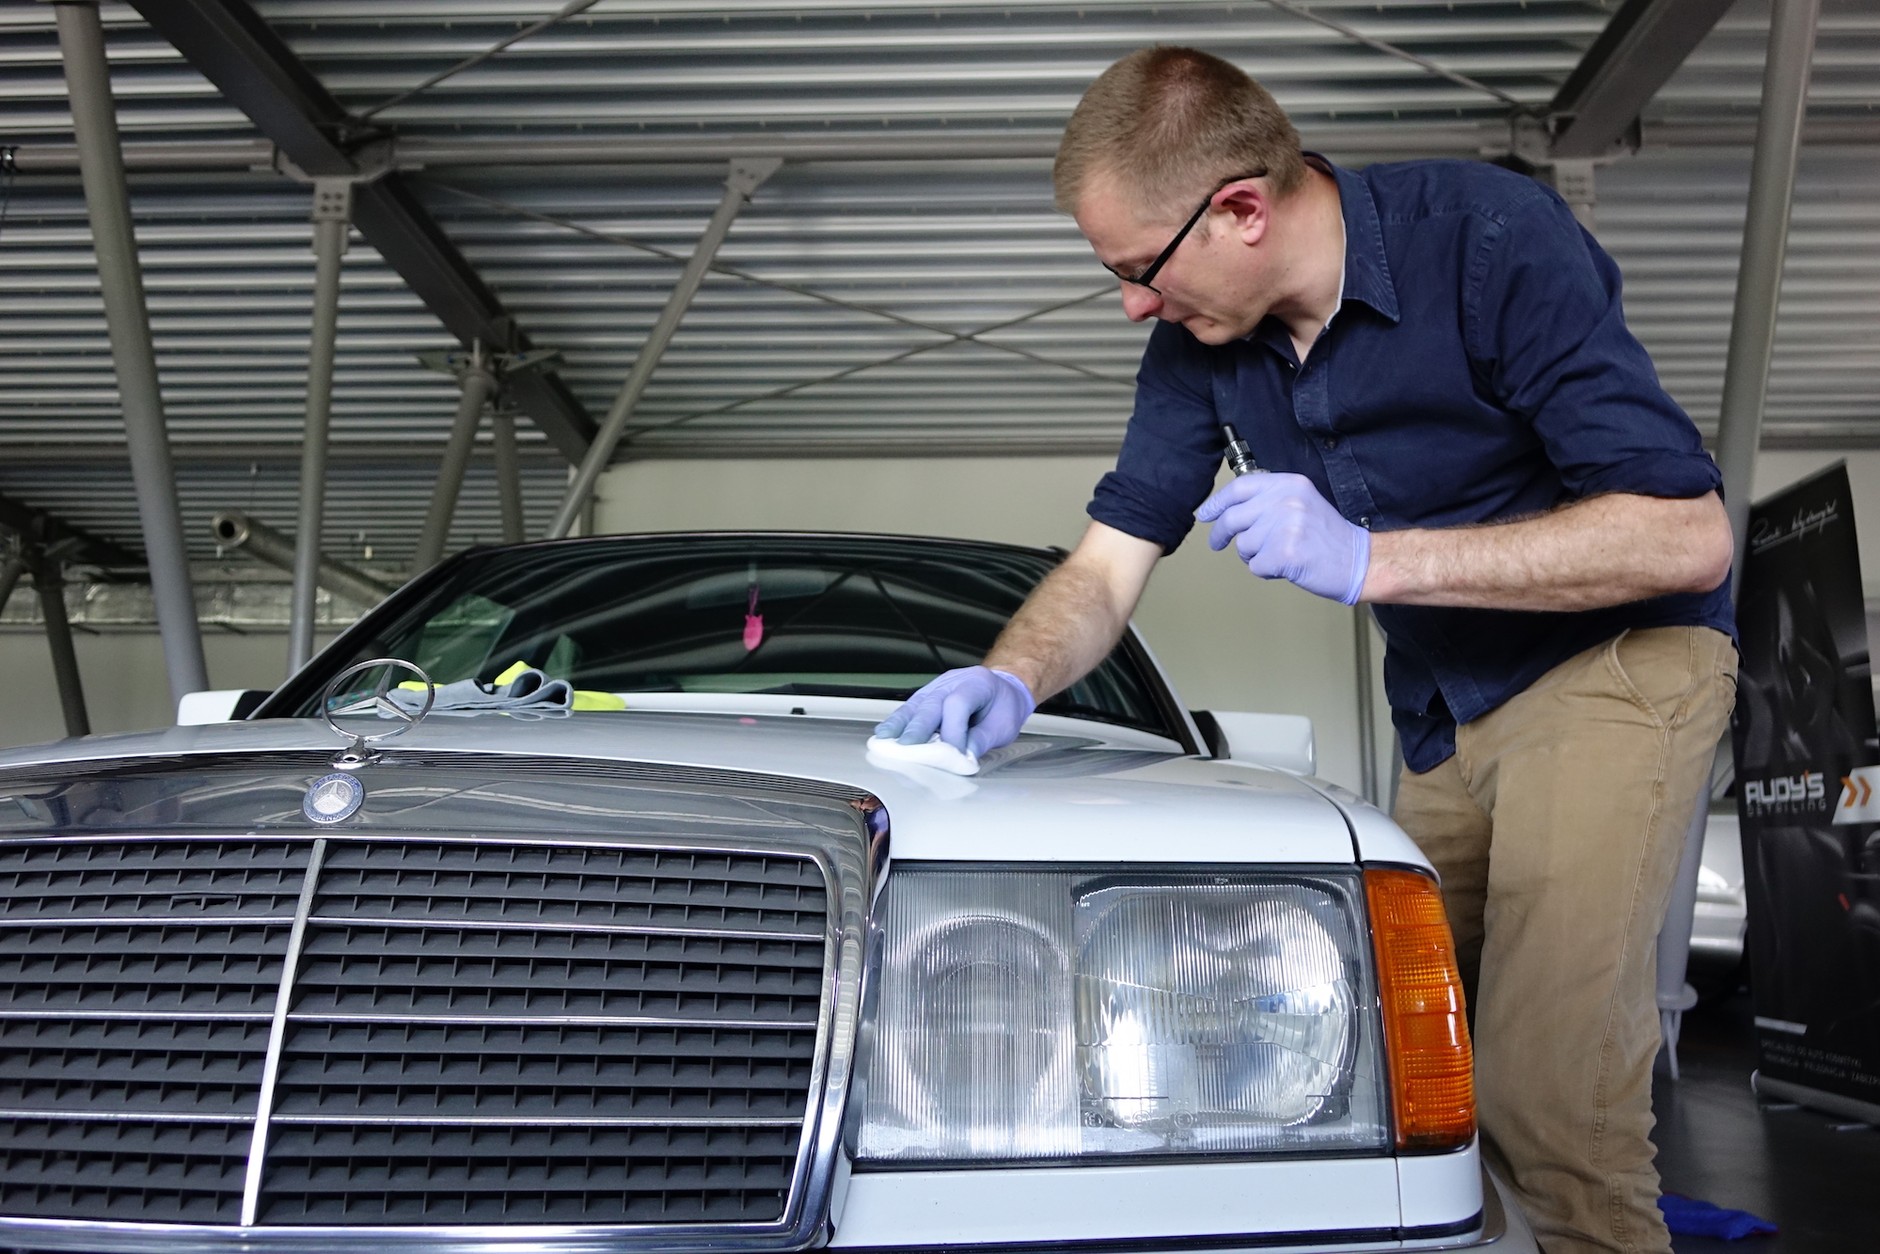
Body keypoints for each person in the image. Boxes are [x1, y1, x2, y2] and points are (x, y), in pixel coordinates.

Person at [874, 45, 1737, 1254]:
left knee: (1549, 1093)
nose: (1130, 305)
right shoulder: (1199, 351)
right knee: (1402, 1079)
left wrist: (1370, 559)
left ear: (1238, 207)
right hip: (1443, 710)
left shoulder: (1484, 240)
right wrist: (1011, 672)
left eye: (1136, 270)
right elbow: (1103, 566)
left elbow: (1684, 535)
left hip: (1612, 666)